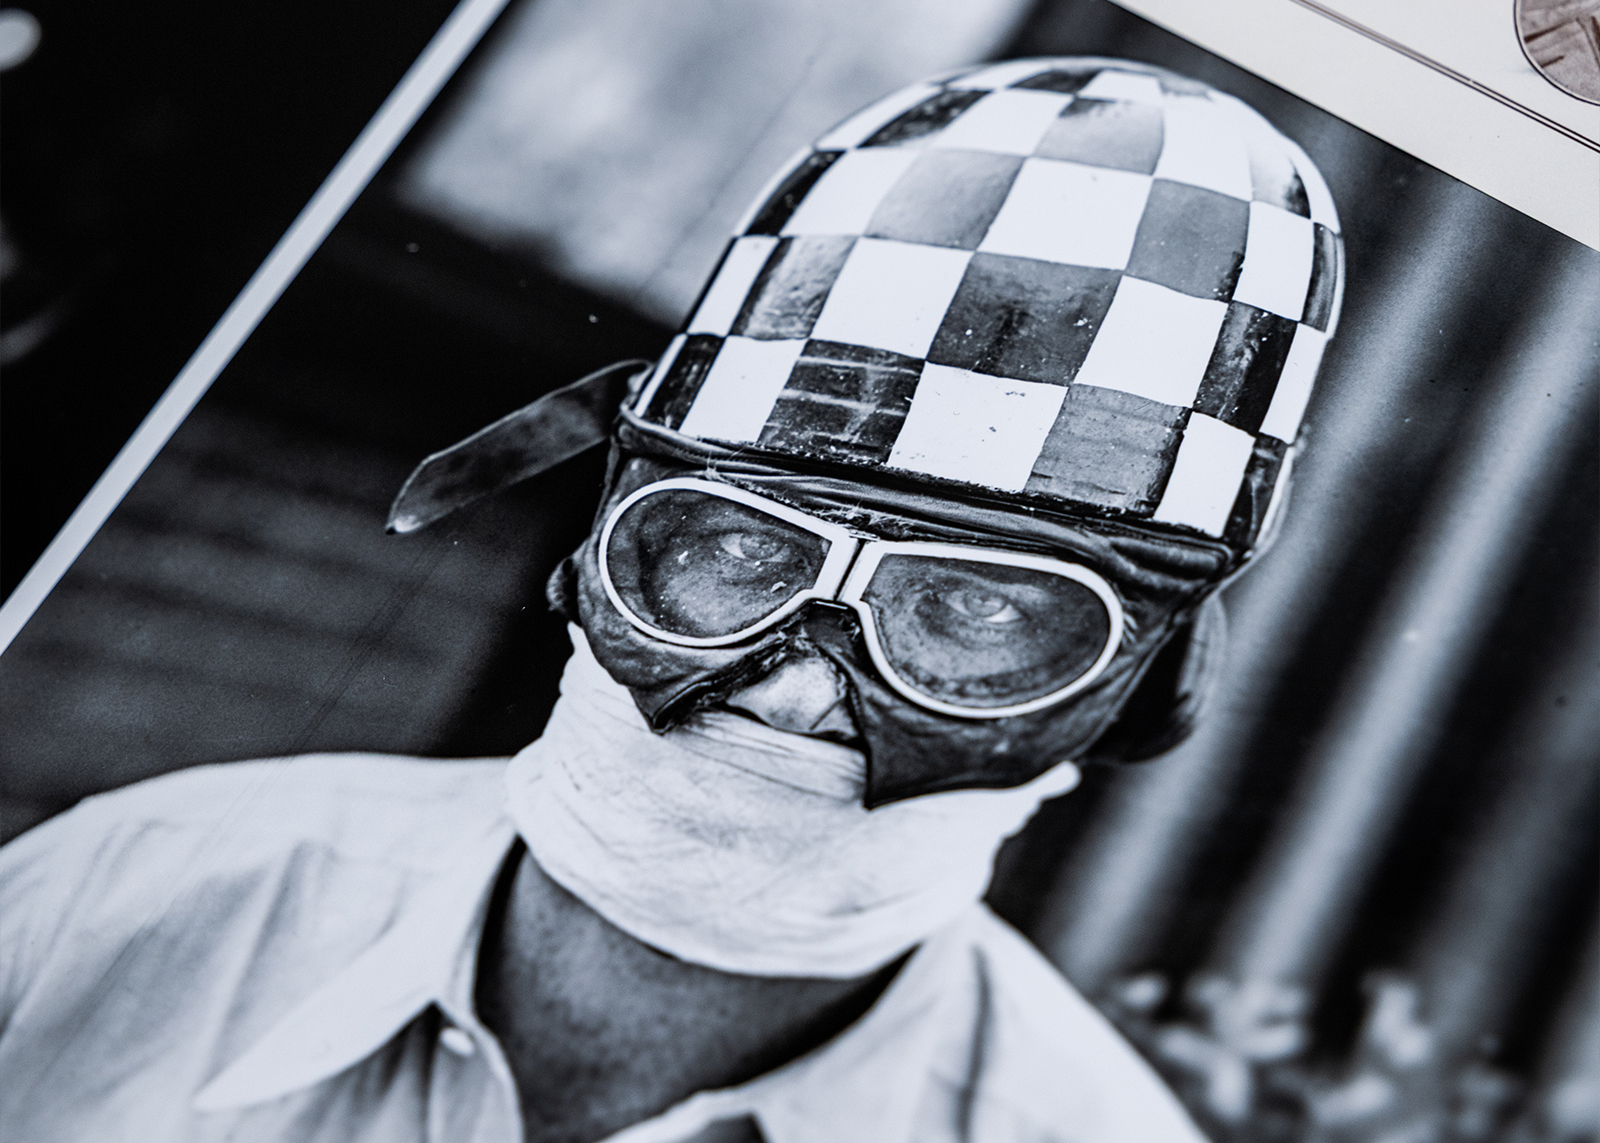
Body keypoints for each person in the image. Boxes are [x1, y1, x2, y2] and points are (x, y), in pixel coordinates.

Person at [0, 57, 1343, 1142]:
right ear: (594, 552)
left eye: (982, 614)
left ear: (1153, 685)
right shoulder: (110, 906)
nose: (797, 686)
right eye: (734, 550)